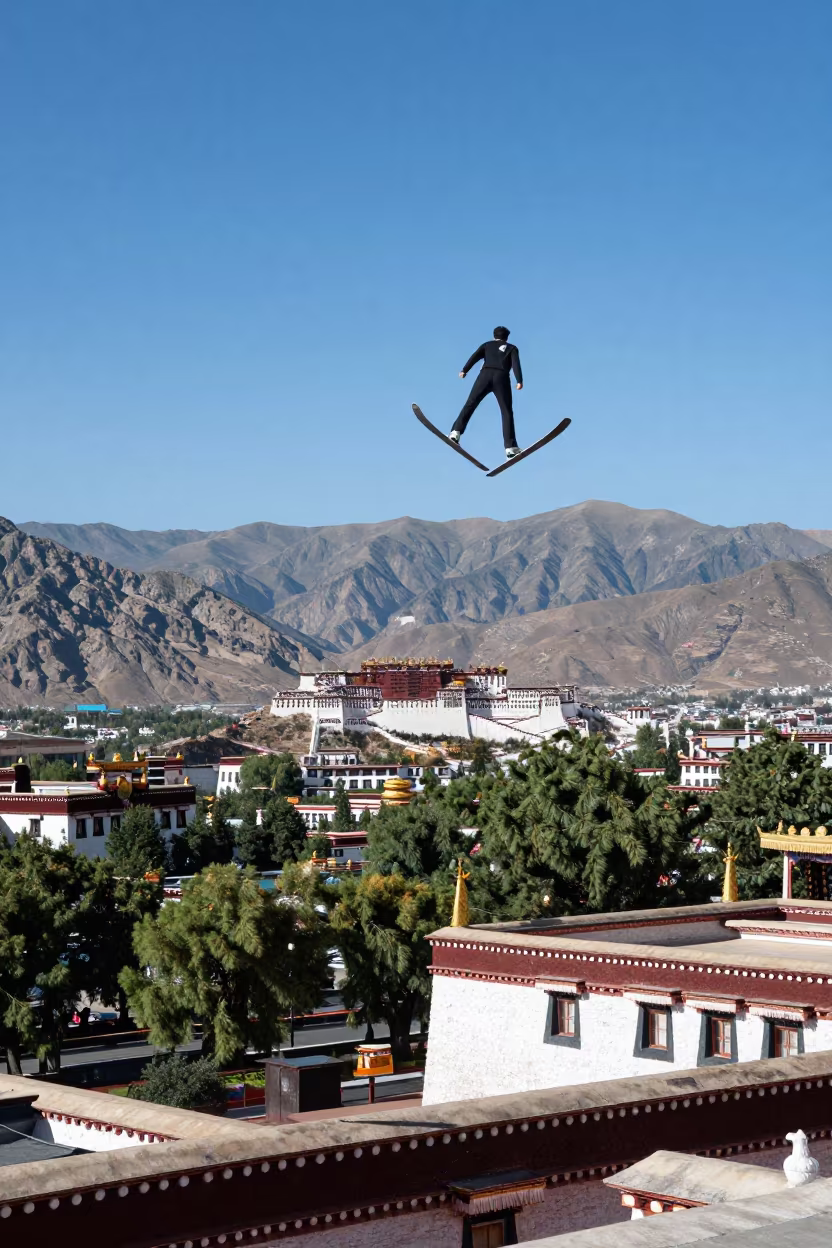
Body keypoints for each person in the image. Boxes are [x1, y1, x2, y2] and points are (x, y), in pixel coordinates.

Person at [450, 326, 523, 459]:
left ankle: (456, 432)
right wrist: (519, 380)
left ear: (493, 335)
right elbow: (515, 364)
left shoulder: (487, 345)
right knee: (506, 412)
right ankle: (510, 447)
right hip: (502, 379)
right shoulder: (512, 348)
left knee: (471, 403)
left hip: (485, 375)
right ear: (507, 338)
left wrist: (464, 370)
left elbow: (474, 356)